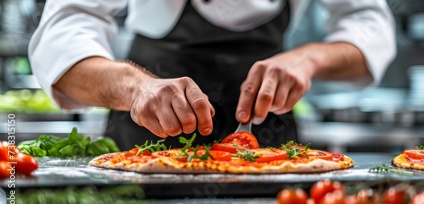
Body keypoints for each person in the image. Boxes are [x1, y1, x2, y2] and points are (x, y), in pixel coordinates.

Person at [28, 0, 396, 150]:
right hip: (145, 138)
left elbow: (370, 27)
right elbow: (62, 39)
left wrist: (311, 58)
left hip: (269, 139)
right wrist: (136, 87)